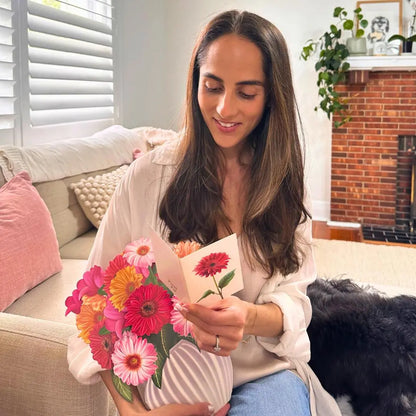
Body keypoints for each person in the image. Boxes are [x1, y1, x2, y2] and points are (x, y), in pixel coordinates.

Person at [67, 9, 342, 416]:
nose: (225, 109)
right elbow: (92, 309)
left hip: (260, 374)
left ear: (271, 97)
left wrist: (247, 318)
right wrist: (133, 412)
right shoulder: (147, 179)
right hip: (170, 385)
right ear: (196, 81)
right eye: (212, 86)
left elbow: (294, 297)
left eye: (246, 93)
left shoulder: (283, 182)